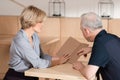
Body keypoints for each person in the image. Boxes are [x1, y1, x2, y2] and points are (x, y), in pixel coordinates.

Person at [3, 5, 70, 80]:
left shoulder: (34, 36)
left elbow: (41, 56)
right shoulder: (20, 40)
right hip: (17, 76)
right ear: (32, 21)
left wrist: (56, 58)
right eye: (40, 22)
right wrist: (57, 62)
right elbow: (37, 63)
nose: (43, 24)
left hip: (31, 74)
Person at [72, 12, 120, 80]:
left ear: (86, 31)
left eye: (82, 30)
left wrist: (80, 67)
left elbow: (89, 75)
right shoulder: (112, 37)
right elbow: (110, 50)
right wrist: (92, 49)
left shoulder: (100, 44)